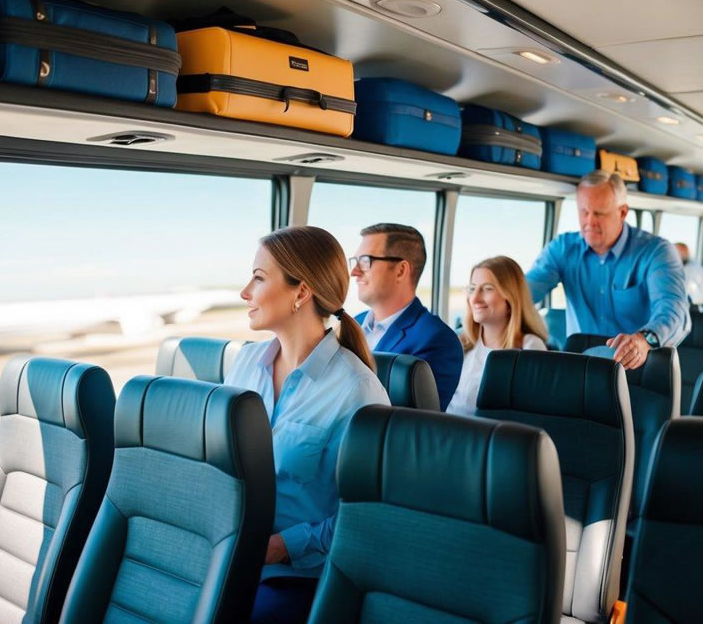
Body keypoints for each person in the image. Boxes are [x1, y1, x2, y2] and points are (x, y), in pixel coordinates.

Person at [223, 226, 390, 624]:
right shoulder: (246, 363)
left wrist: (282, 546)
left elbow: (366, 519)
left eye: (259, 278)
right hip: (232, 553)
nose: (246, 292)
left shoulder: (358, 391)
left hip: (299, 576)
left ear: (301, 293)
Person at [525, 170, 690, 370]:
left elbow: (673, 310)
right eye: (583, 212)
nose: (589, 222)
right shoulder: (562, 248)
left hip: (638, 371)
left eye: (599, 213)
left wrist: (643, 340)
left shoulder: (657, 252)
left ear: (622, 212)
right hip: (581, 370)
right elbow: (524, 293)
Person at [351, 223, 463, 411]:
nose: (354, 272)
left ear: (401, 270)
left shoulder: (438, 340)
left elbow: (412, 426)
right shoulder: (354, 323)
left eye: (365, 261)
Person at [446, 256, 548, 416]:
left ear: (511, 296)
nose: (476, 298)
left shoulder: (530, 347)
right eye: (473, 288)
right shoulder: (461, 344)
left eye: (487, 288)